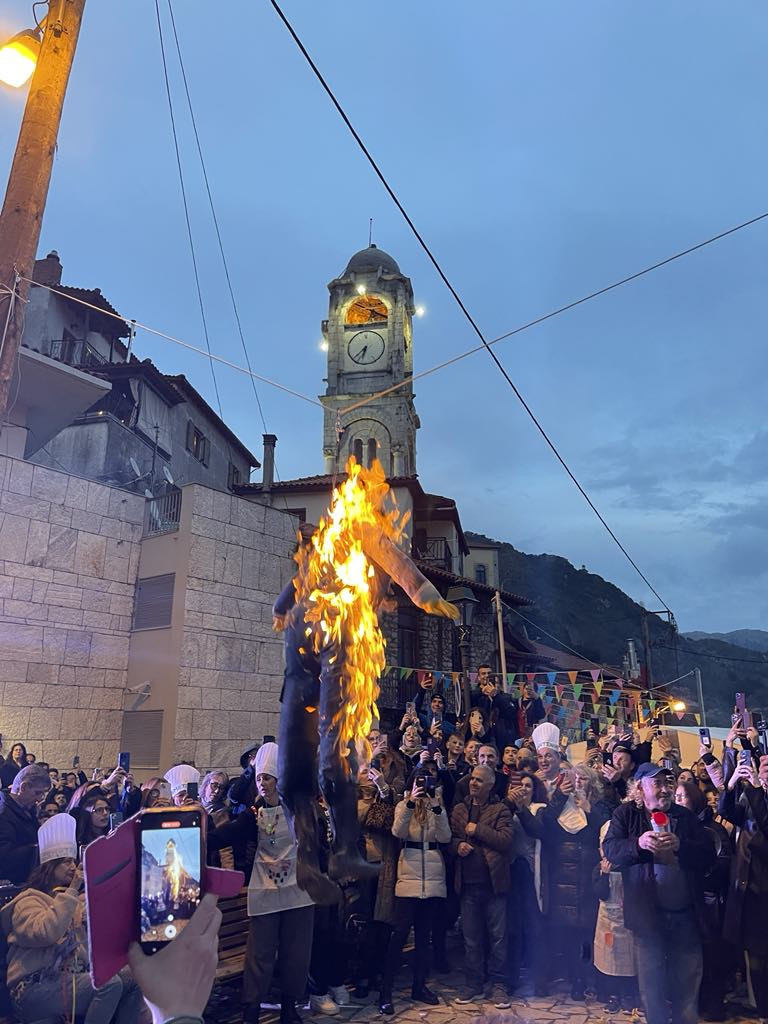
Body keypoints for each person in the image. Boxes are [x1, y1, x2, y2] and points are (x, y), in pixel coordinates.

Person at [273, 481, 458, 901]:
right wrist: (427, 598)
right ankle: (343, 850)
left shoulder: (323, 542)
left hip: (299, 636)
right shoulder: (365, 529)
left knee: (295, 749)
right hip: (339, 630)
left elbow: (282, 605)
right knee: (334, 738)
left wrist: (283, 612)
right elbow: (402, 569)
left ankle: (307, 857)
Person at [207, 743, 314, 1024]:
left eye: (267, 778)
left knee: (296, 954)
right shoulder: (254, 813)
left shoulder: (300, 809)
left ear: (279, 779)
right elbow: (228, 834)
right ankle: (251, 1010)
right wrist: (197, 838)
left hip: (299, 890)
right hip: (265, 890)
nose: (262, 784)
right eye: (259, 779)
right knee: (260, 954)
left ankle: (289, 1007)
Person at [1, 813, 142, 1024]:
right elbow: (47, 933)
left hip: (70, 979)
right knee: (108, 985)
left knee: (135, 978)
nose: (73, 868)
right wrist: (73, 889)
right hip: (33, 986)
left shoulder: (69, 901)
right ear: (50, 867)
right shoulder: (27, 902)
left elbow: (82, 951)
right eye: (66, 862)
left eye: (74, 862)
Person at [603, 762, 717, 1024]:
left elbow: (708, 855)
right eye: (657, 783)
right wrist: (638, 844)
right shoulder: (626, 814)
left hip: (685, 916)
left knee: (687, 988)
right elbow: (611, 849)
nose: (665, 789)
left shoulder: (684, 816)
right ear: (640, 789)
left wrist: (681, 846)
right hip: (647, 918)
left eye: (668, 783)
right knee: (652, 989)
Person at [516, 763, 611, 999]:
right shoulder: (556, 807)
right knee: (566, 934)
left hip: (587, 880)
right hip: (561, 882)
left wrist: (589, 810)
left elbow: (606, 833)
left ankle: (584, 979)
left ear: (592, 784)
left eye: (583, 779)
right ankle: (571, 977)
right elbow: (544, 826)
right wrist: (559, 796)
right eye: (573, 778)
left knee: (586, 934)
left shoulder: (599, 807)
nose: (577, 782)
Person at [377, 771, 451, 1014]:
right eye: (419, 782)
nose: (423, 786)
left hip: (433, 876)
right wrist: (410, 802)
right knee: (398, 935)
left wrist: (437, 807)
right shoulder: (403, 805)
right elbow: (398, 832)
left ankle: (419, 986)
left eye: (427, 782)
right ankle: (385, 991)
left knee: (423, 937)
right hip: (408, 875)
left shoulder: (437, 807)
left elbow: (445, 837)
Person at [450, 763, 514, 1008]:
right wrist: (457, 846)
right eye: (472, 779)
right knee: (471, 939)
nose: (473, 783)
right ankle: (473, 983)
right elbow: (449, 838)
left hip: (494, 884)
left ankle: (499, 984)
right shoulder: (459, 809)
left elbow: (505, 840)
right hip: (467, 884)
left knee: (498, 938)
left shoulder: (500, 810)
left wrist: (478, 830)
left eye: (478, 780)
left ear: (490, 785)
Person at [719, 748, 768, 1022]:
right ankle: (763, 1013)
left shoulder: (758, 795)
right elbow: (727, 811)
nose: (763, 773)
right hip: (750, 890)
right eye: (762, 768)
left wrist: (758, 789)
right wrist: (731, 783)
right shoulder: (752, 796)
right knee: (757, 960)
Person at [505, 771, 547, 996]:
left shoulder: (540, 809)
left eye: (528, 786)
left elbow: (536, 830)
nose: (523, 789)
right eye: (519, 785)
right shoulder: (505, 808)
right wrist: (511, 805)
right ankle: (511, 978)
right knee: (512, 928)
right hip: (511, 871)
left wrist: (521, 809)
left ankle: (539, 979)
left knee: (535, 927)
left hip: (532, 872)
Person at [592, 820, 637, 1014]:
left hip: (627, 921)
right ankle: (613, 996)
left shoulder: (630, 867)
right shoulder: (598, 869)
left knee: (629, 958)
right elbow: (600, 893)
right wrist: (604, 874)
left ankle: (628, 996)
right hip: (607, 922)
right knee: (609, 958)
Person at [0, 764, 50, 883]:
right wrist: (37, 848)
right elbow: (4, 857)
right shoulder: (3, 812)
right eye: (37, 793)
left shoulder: (27, 809)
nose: (40, 799)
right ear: (23, 787)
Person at [229, 743, 261, 817]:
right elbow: (233, 796)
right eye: (252, 756)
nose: (256, 760)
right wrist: (251, 769)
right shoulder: (238, 781)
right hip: (245, 818)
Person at [531, 722, 562, 797]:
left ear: (558, 757)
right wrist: (534, 782)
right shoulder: (531, 782)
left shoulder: (567, 778)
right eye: (540, 757)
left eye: (548, 756)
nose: (543, 760)